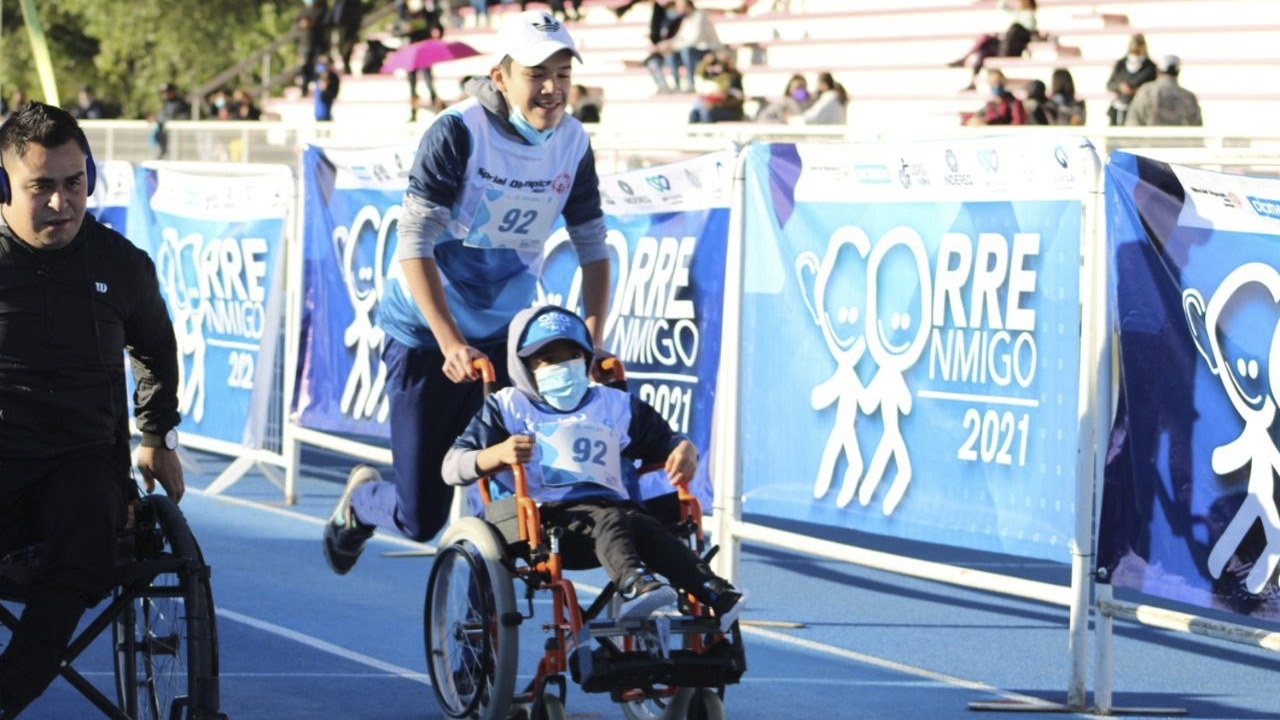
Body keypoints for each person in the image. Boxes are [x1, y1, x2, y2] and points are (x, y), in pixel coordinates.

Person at [322, 11, 613, 574]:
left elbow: (594, 247)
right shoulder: (458, 131)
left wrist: (595, 342)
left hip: (507, 334)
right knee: (420, 517)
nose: (552, 88)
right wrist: (450, 341)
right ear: (501, 77)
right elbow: (413, 244)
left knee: (529, 492)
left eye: (562, 72)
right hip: (427, 333)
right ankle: (362, 502)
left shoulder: (574, 142)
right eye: (537, 74)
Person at [0, 101, 183, 713]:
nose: (61, 203)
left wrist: (157, 435)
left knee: (86, 534)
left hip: (81, 465)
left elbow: (155, 346)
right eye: (41, 187)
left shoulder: (121, 264)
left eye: (73, 183)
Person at [442, 305, 746, 625]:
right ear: (523, 364)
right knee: (611, 516)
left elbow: (666, 441)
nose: (562, 365)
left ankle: (714, 591)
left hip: (617, 513)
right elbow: (451, 467)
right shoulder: (508, 408)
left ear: (586, 358)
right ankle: (636, 585)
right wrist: (497, 454)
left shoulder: (613, 405)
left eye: (572, 355)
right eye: (547, 358)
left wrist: (685, 449)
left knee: (649, 527)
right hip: (547, 522)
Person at [949, 0, 1037, 91]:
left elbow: (1022, 35)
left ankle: (965, 59)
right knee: (983, 49)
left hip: (1011, 49)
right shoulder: (1020, 14)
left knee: (986, 39)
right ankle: (972, 79)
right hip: (1006, 46)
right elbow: (1002, 6)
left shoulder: (1028, 16)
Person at [1125, 55, 1202, 127]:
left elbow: (1132, 122)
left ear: (1158, 71)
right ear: (1177, 73)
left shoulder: (1146, 91)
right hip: (1180, 141)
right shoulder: (1189, 97)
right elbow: (1197, 127)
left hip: (1149, 141)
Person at [665, 0, 720, 93]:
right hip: (690, 49)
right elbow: (678, 37)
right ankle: (677, 85)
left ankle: (691, 83)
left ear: (688, 7)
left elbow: (695, 40)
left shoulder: (700, 16)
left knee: (686, 51)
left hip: (706, 49)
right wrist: (668, 45)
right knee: (671, 55)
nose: (678, 10)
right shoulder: (684, 19)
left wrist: (674, 45)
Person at [1106, 33, 1156, 126]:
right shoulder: (1121, 64)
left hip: (1139, 111)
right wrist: (1120, 87)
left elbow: (1154, 88)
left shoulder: (1150, 68)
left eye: (1138, 51)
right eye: (1134, 51)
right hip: (1119, 109)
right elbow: (1110, 84)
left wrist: (1138, 91)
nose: (1136, 55)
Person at [688, 47, 743, 123]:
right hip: (714, 106)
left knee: (707, 113)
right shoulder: (716, 76)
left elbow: (737, 98)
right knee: (694, 113)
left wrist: (716, 103)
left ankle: (706, 133)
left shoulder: (734, 77)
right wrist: (705, 62)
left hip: (730, 110)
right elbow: (699, 75)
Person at [331, 0, 366, 75]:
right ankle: (344, 61)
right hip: (342, 23)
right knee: (342, 44)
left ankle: (346, 60)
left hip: (351, 23)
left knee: (349, 44)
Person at [314, 56, 341, 121]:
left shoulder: (333, 77)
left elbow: (334, 93)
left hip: (326, 109)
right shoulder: (320, 75)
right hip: (319, 111)